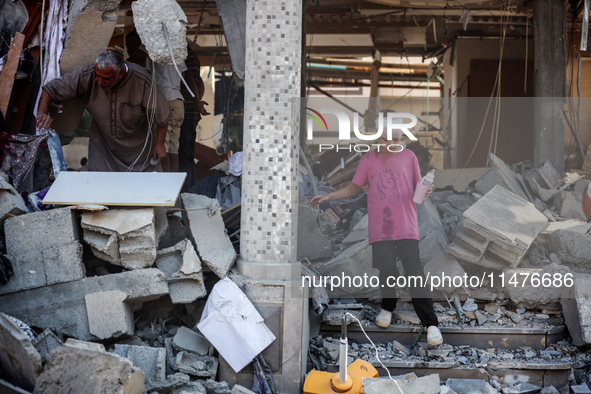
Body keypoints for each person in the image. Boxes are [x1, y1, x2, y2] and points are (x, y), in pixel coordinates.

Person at [309, 128, 443, 347]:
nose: (393, 144)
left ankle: (431, 324)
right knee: (387, 269)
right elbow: (354, 188)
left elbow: (420, 186)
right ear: (380, 139)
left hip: (407, 224)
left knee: (415, 272)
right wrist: (328, 196)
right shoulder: (369, 159)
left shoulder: (409, 157)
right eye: (388, 140)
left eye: (398, 140)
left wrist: (426, 189)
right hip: (381, 226)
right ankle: (388, 307)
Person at [36, 49, 170, 172]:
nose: (100, 82)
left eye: (106, 78)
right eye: (98, 76)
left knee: (142, 192)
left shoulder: (142, 80)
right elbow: (51, 89)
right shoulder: (88, 75)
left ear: (121, 74)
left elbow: (161, 115)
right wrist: (42, 113)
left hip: (139, 151)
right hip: (103, 149)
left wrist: (160, 144)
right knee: (100, 189)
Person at [178, 44, 209, 192]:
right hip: (191, 111)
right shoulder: (191, 54)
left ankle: (185, 192)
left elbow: (190, 79)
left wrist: (197, 102)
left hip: (186, 110)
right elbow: (198, 82)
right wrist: (197, 102)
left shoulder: (182, 52)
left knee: (183, 156)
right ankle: (189, 190)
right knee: (188, 156)